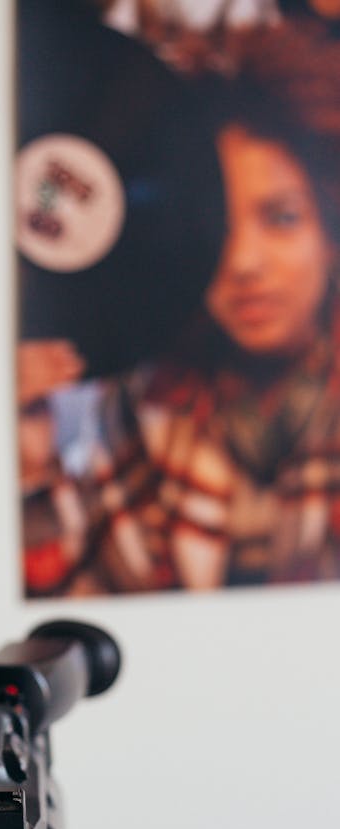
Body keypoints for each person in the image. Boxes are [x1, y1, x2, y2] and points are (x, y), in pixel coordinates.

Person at [20, 24, 340, 594]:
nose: (242, 262)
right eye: (213, 230)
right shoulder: (142, 414)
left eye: (282, 217)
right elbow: (73, 597)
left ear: (331, 230)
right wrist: (29, 469)